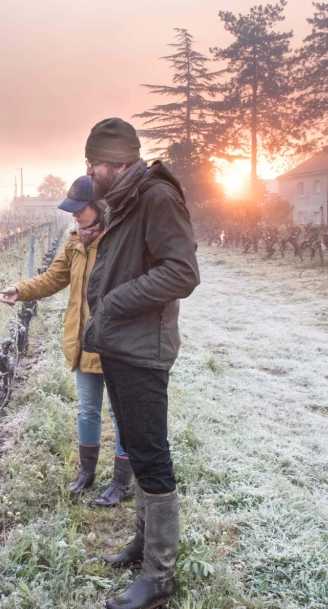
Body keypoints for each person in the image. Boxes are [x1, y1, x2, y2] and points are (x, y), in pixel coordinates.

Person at [81, 117, 200, 609]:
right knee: (134, 442)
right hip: (121, 344)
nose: (89, 171)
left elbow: (182, 272)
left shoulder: (156, 197)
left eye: (94, 163)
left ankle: (160, 575)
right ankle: (142, 545)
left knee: (150, 453)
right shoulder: (126, 198)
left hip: (142, 348)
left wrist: (114, 302)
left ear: (117, 163)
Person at [0, 176, 134, 507]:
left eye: (80, 209)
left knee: (121, 413)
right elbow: (53, 278)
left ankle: (121, 482)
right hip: (83, 338)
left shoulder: (118, 242)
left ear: (98, 207)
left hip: (114, 341)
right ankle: (87, 473)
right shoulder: (75, 243)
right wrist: (20, 290)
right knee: (87, 410)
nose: (74, 216)